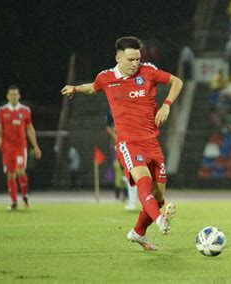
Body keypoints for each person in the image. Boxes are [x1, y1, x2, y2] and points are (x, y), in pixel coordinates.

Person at [61, 36, 183, 251]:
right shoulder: (106, 78)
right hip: (129, 143)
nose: (135, 64)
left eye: (137, 59)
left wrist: (166, 105)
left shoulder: (149, 71)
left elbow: (177, 82)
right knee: (144, 184)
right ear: (118, 57)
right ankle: (161, 221)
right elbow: (93, 87)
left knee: (158, 197)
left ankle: (137, 233)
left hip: (152, 143)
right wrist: (76, 89)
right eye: (130, 59)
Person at [0, 85, 42, 210]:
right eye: (11, 94)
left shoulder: (25, 110)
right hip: (7, 147)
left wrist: (35, 146)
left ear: (19, 96)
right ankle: (14, 202)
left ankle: (25, 196)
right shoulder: (1, 111)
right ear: (8, 96)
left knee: (20, 170)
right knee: (10, 174)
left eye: (16, 94)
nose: (14, 96)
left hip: (21, 146)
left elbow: (30, 129)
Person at [105, 109, 138, 211]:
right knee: (128, 175)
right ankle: (132, 200)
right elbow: (108, 127)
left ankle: (136, 200)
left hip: (131, 145)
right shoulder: (111, 111)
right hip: (124, 145)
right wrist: (116, 137)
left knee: (132, 175)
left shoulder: (129, 108)